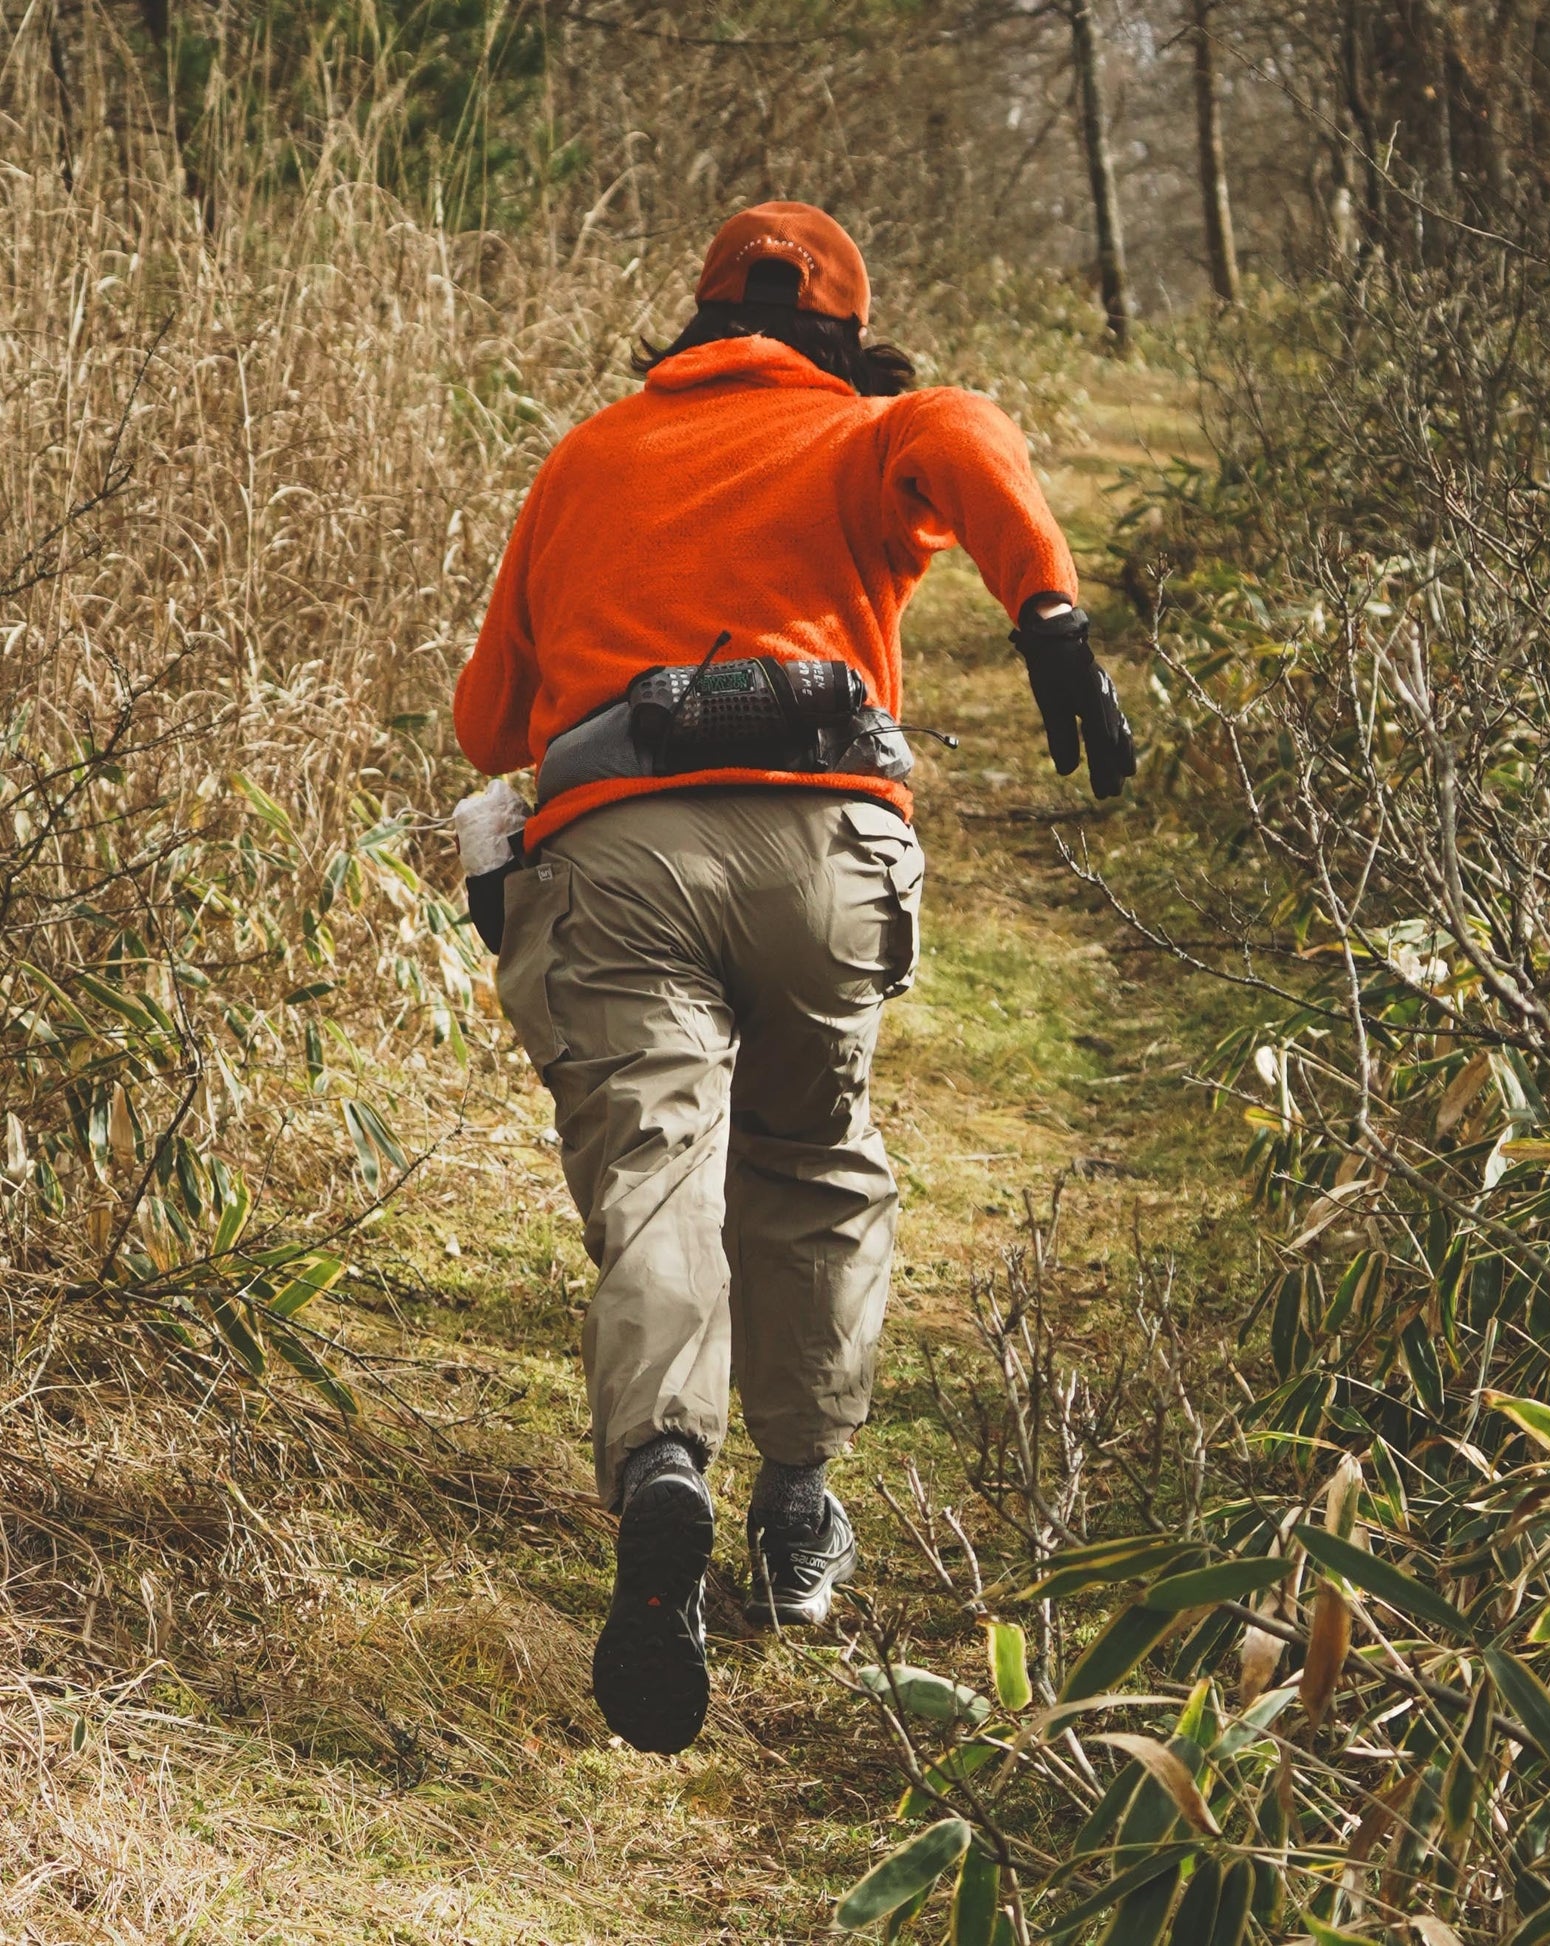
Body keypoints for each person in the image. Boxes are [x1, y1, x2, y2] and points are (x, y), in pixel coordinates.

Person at [451, 202, 1135, 1756]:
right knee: (813, 1155)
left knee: (656, 1177)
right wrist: (1045, 609)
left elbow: (487, 723)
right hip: (825, 853)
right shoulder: (871, 433)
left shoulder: (583, 457)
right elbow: (960, 427)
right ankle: (800, 1504)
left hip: (619, 851)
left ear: (699, 320)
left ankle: (663, 1470)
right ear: (844, 330)